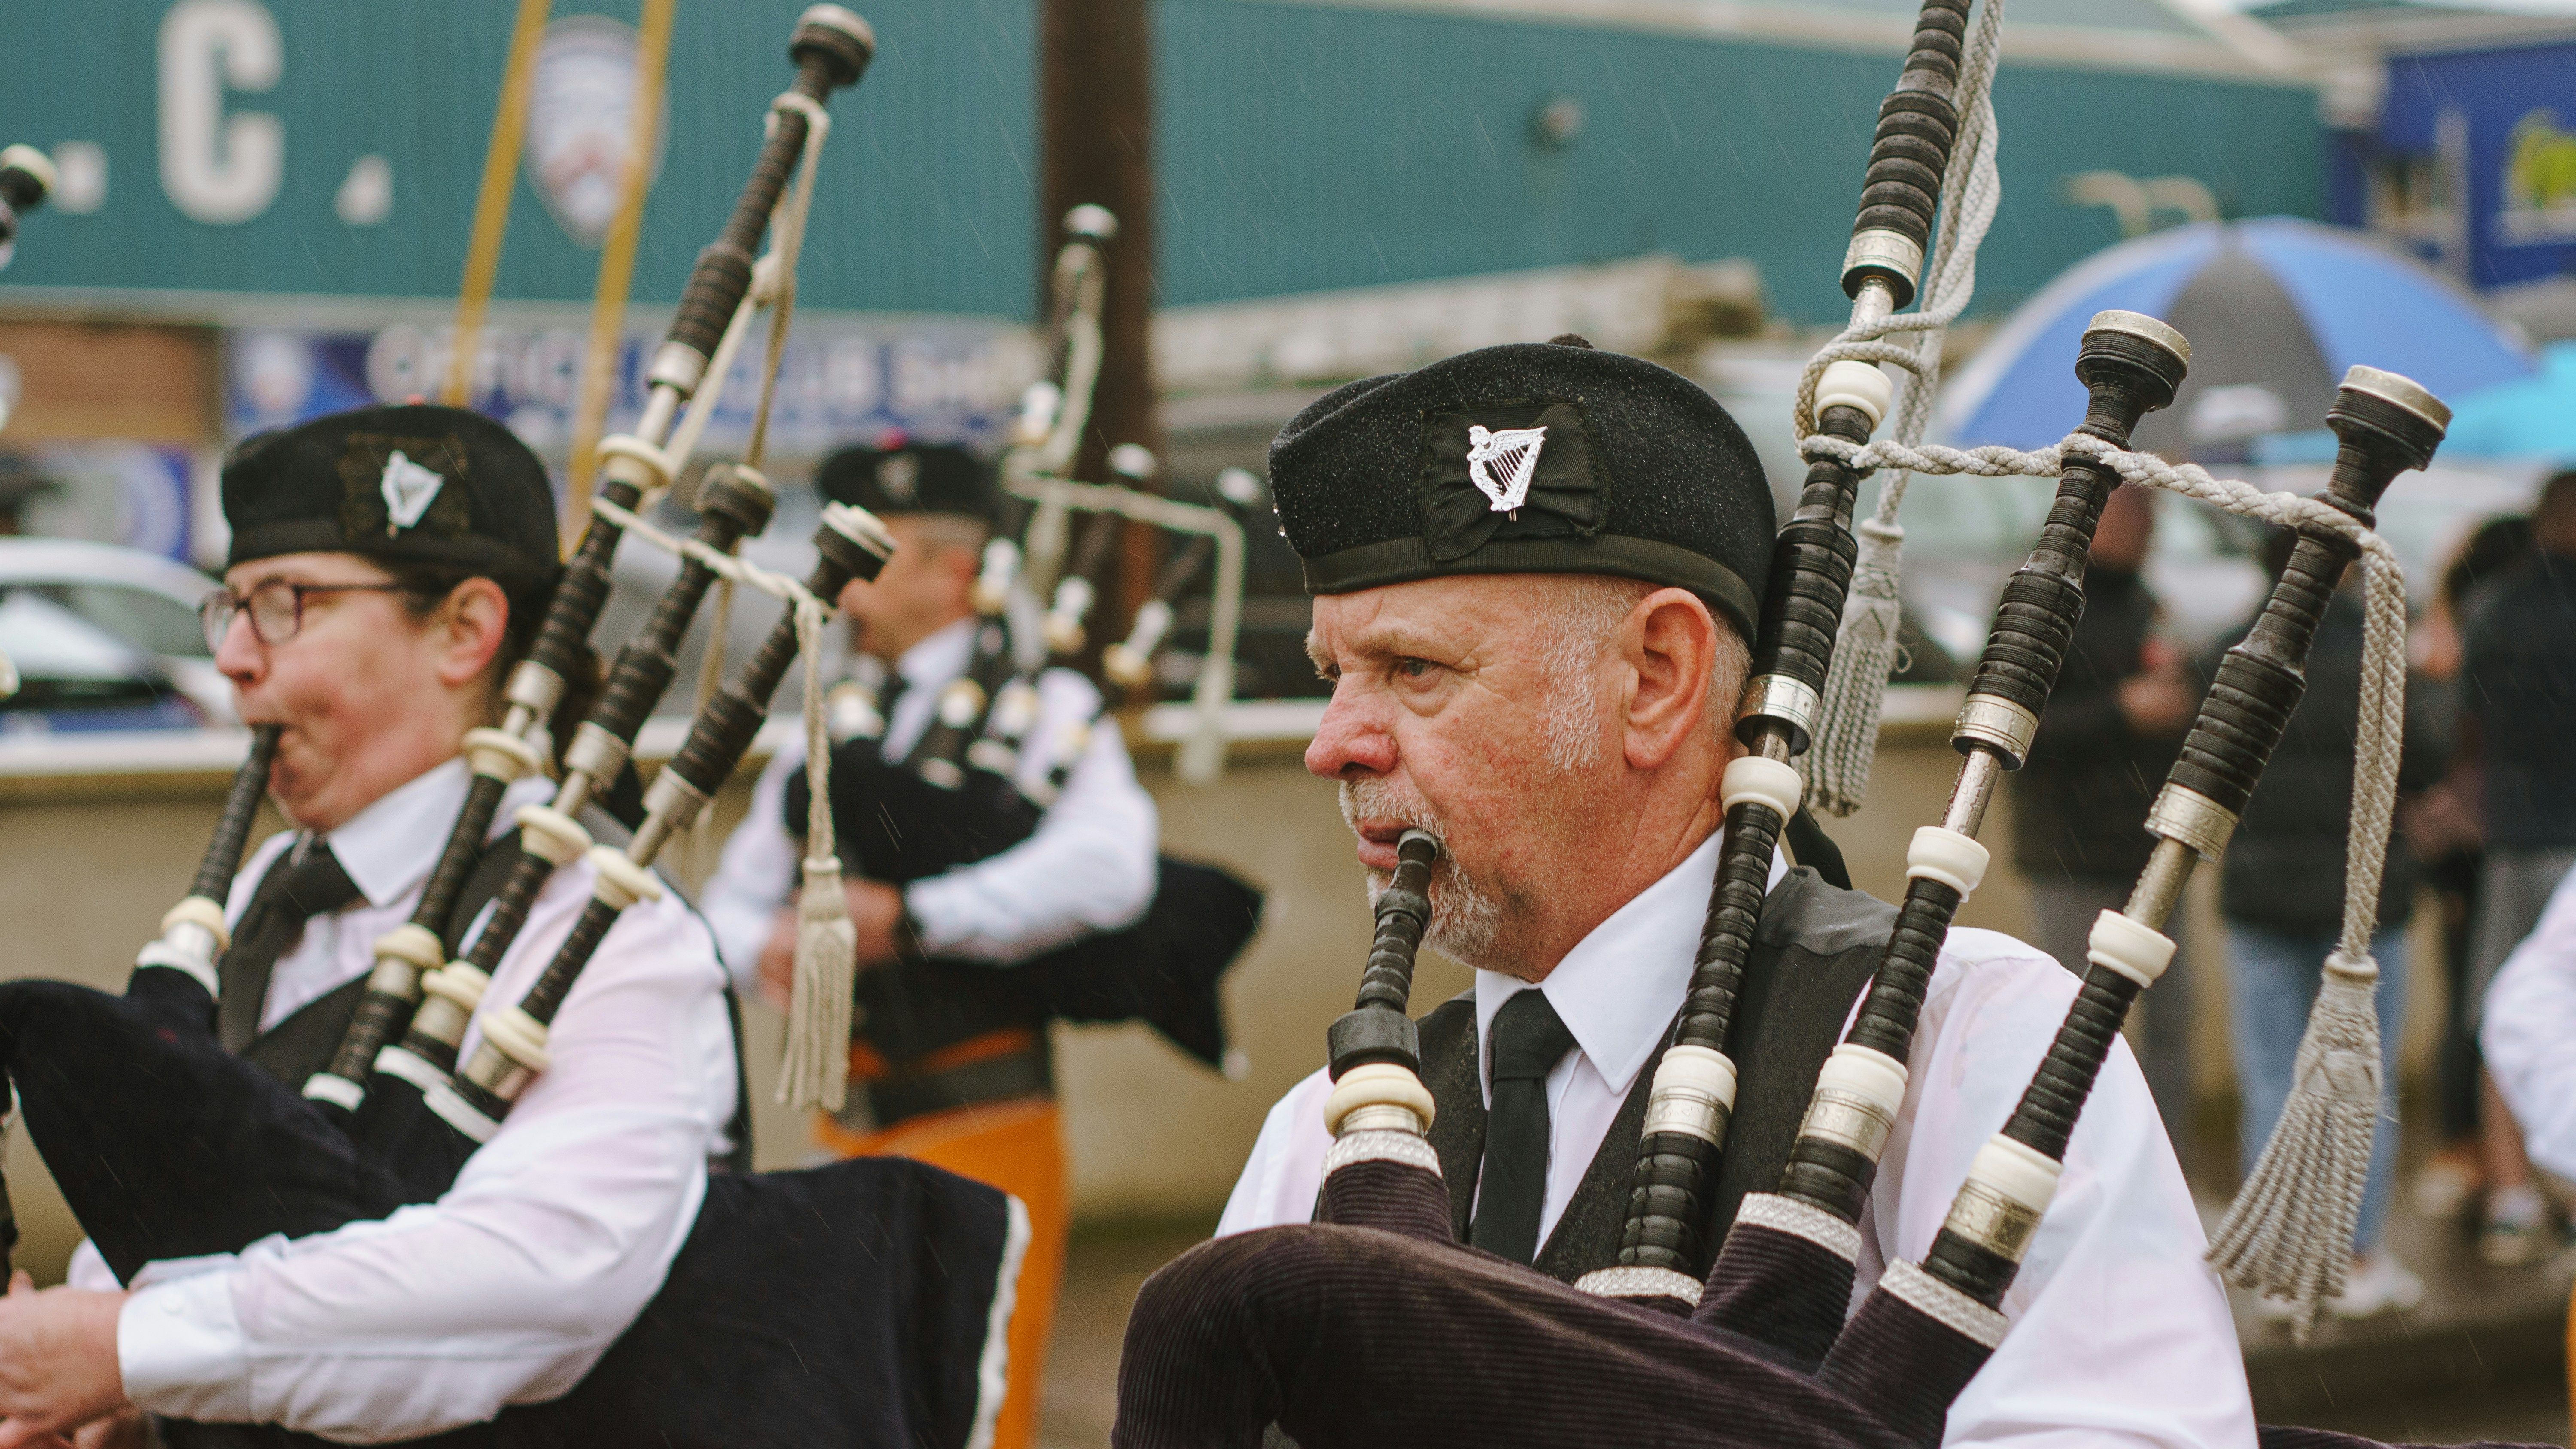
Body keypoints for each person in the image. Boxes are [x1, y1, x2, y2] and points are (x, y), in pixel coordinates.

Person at [1215, 339, 2253, 1444]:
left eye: (1414, 668)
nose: (1334, 744)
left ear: (1657, 677)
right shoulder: (1321, 1138)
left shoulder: (1964, 1043)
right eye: (1334, 675)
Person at [0, 406, 735, 1443]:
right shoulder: (271, 888)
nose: (234, 658)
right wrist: (112, 1384)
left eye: (285, 604)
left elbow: (541, 1274)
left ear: (465, 630)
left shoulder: (609, 923)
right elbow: (195, 1185)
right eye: (230, 608)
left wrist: (126, 1345)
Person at [697, 439, 1163, 1449]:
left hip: (983, 1117)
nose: (842, 582)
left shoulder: (1047, 704)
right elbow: (728, 900)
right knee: (847, 1409)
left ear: (953, 570)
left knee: (969, 1413)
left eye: (874, 555)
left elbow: (1113, 868)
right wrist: (767, 943)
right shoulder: (828, 715)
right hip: (845, 1123)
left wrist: (916, 917)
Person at [2214, 527, 2443, 1319]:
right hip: (2363, 901)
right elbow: (2426, 759)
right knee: (2358, 1083)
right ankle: (2356, 1257)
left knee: (2270, 1076)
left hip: (2258, 893)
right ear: (2344, 568)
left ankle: (2281, 1265)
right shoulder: (2383, 652)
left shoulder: (2231, 651)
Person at [2007, 482, 2199, 1155]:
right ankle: (2069, 1164)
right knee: (2075, 1022)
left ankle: (2165, 1167)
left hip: (2149, 851)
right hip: (2069, 852)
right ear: (2097, 512)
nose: (2148, 522)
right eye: (2134, 506)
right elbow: (2015, 731)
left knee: (2172, 1020)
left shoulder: (2151, 605)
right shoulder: (2043, 600)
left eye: (2153, 509)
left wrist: (2180, 696)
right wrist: (2121, 712)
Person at [2400, 515, 2535, 1235]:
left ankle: (2476, 1155)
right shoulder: (2472, 642)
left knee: (2472, 999)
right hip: (2483, 848)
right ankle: (2474, 1153)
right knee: (2481, 1004)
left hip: (2471, 849)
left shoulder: (2453, 643)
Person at [2459, 470, 2576, 1264]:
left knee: (2509, 1008)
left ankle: (2511, 1197)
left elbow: (2469, 722)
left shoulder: (2493, 608)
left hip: (2512, 836)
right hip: (2567, 832)